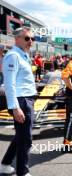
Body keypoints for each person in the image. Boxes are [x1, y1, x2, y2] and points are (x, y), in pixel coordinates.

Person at [0, 27, 36, 176]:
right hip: (21, 101)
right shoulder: (14, 55)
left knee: (20, 136)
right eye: (27, 38)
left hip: (25, 99)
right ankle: (22, 172)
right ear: (17, 39)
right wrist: (15, 108)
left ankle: (5, 164)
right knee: (26, 139)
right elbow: (9, 84)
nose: (31, 41)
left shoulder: (23, 55)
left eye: (32, 39)